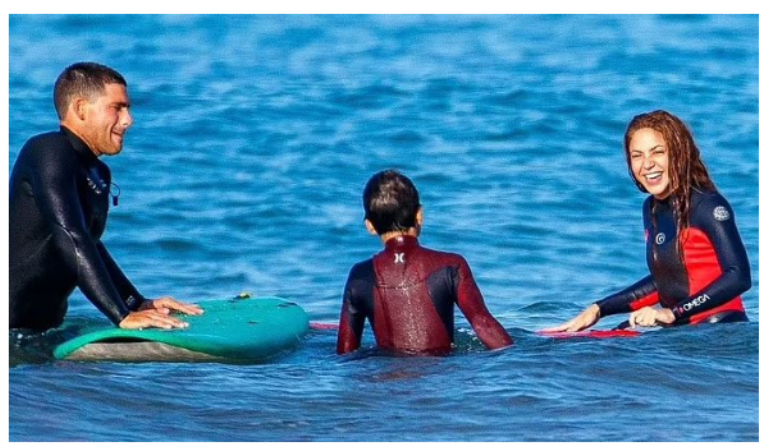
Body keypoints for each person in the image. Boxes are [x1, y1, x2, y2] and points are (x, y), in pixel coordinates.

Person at [10, 62, 202, 331]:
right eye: (117, 107)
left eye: (128, 108)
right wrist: (121, 315)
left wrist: (135, 303)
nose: (128, 120)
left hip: (37, 335)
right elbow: (70, 234)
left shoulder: (98, 172)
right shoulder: (48, 151)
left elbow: (88, 243)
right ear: (80, 109)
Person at [543, 110, 750, 333]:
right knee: (603, 340)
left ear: (678, 153)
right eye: (637, 155)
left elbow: (739, 276)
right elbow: (666, 280)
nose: (647, 164)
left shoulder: (707, 205)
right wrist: (598, 309)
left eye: (658, 152)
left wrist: (672, 313)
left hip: (720, 330)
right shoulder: (651, 208)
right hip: (683, 333)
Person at [336, 170, 513, 355]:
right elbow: (484, 325)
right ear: (419, 215)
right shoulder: (451, 266)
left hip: (386, 380)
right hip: (441, 378)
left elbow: (345, 353)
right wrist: (519, 361)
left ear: (370, 226)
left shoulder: (359, 276)